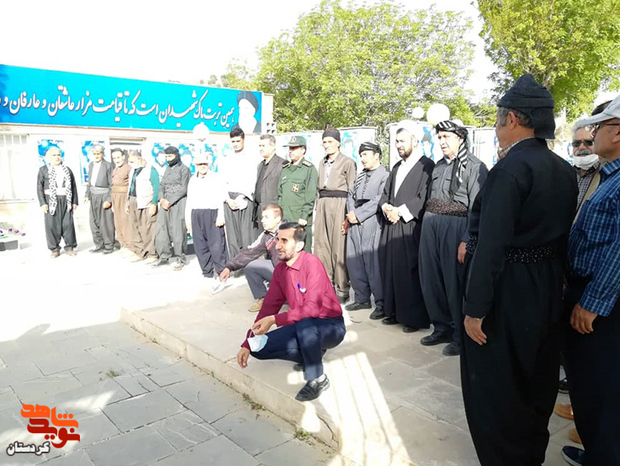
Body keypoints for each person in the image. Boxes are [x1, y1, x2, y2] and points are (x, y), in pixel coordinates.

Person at [460, 74, 578, 466]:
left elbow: (492, 245)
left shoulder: (510, 170)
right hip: (548, 284)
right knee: (537, 378)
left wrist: (475, 308)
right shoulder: (563, 169)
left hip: (509, 289)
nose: (497, 128)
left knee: (497, 385)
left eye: (498, 120)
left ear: (512, 118)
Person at [561, 94, 620, 466]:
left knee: (601, 389)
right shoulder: (609, 175)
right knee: (590, 388)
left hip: (600, 300)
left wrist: (592, 302)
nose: (592, 135)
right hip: (587, 290)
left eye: (597, 128)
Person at [236, 222, 346, 402]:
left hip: (330, 325)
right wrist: (247, 343)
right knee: (258, 347)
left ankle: (317, 379)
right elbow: (268, 307)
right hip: (302, 324)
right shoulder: (281, 270)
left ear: (299, 245)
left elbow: (312, 309)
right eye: (277, 240)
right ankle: (312, 352)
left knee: (305, 324)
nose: (277, 245)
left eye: (284, 241)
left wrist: (275, 320)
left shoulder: (312, 263)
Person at [418, 121, 488, 356]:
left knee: (453, 283)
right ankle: (441, 327)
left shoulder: (475, 167)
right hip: (431, 226)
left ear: (460, 138)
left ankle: (459, 335)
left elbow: (477, 208)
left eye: (446, 136)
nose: (442, 141)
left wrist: (467, 239)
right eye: (439, 137)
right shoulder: (438, 166)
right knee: (431, 279)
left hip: (456, 227)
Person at [375, 122, 434, 332]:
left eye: (403, 141)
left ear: (414, 141)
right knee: (391, 268)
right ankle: (393, 312)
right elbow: (385, 195)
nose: (399, 145)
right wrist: (386, 207)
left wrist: (400, 212)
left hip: (409, 226)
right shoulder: (396, 167)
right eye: (397, 141)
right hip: (391, 224)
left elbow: (424, 197)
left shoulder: (427, 166)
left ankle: (412, 318)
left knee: (409, 271)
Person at [343, 142, 389, 315]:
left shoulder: (385, 175)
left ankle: (381, 303)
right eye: (361, 155)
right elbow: (350, 195)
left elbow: (380, 198)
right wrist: (351, 213)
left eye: (365, 155)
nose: (362, 159)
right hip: (354, 219)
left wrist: (359, 214)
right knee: (354, 260)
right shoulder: (360, 176)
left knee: (372, 262)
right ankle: (361, 298)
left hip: (372, 219)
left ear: (376, 155)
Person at [314, 128, 357, 303]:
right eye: (324, 142)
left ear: (338, 143)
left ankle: (342, 289)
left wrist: (348, 215)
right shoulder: (321, 163)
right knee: (322, 246)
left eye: (330, 141)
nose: (327, 145)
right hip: (323, 204)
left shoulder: (348, 162)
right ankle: (326, 286)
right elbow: (318, 189)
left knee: (339, 247)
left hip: (340, 204)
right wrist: (317, 210)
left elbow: (352, 190)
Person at [220, 205, 284, 312]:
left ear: (278, 219)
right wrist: (229, 267)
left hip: (292, 274)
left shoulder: (290, 231)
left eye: (266, 217)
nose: (262, 220)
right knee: (250, 266)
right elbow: (249, 252)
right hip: (277, 271)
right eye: (262, 217)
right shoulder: (266, 236)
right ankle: (263, 298)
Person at [185, 152, 228, 279]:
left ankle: (221, 271)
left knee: (217, 245)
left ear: (208, 164)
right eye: (199, 164)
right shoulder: (192, 180)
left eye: (204, 163)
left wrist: (221, 216)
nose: (202, 166)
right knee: (200, 245)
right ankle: (207, 272)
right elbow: (189, 200)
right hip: (196, 213)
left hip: (212, 213)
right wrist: (188, 219)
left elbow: (221, 197)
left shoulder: (216, 178)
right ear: (195, 166)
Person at [221, 127, 258, 258]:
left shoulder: (251, 158)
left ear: (243, 140)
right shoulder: (226, 158)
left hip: (244, 197)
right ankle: (235, 263)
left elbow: (253, 179)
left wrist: (242, 196)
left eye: (238, 141)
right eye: (233, 141)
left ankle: (247, 263)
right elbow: (222, 181)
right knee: (232, 236)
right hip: (230, 199)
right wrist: (228, 199)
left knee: (246, 235)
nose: (235, 144)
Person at [36, 146, 79, 258]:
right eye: (54, 155)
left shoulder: (67, 170)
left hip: (66, 200)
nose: (57, 157)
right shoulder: (43, 170)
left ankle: (70, 247)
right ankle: (54, 249)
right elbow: (39, 188)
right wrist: (43, 203)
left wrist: (74, 201)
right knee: (52, 225)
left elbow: (73, 187)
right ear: (49, 157)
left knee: (68, 224)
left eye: (58, 155)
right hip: (51, 201)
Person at [278, 135, 318, 252]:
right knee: (286, 252)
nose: (291, 151)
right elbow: (280, 194)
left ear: (303, 150)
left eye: (294, 148)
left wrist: (304, 216)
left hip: (300, 220)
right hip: (286, 219)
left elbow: (310, 196)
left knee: (303, 253)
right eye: (290, 148)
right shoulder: (285, 169)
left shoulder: (309, 169)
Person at [153, 146, 191, 270]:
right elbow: (162, 185)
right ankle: (164, 256)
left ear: (176, 155)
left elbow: (184, 188)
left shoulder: (184, 169)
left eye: (170, 156)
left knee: (178, 230)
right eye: (167, 157)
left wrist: (170, 200)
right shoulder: (167, 169)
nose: (168, 159)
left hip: (178, 201)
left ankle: (180, 257)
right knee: (162, 229)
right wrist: (161, 199)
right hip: (165, 202)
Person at [126, 150, 160, 264]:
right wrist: (127, 202)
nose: (130, 163)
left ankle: (152, 253)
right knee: (134, 227)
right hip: (133, 200)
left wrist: (154, 203)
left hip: (146, 202)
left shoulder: (151, 170)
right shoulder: (133, 170)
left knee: (148, 229)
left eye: (132, 161)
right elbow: (130, 187)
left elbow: (156, 187)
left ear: (139, 158)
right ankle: (139, 252)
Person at [84, 144, 115, 254]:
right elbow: (89, 182)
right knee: (94, 222)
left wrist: (109, 200)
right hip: (93, 196)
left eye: (99, 153)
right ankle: (99, 245)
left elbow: (112, 184)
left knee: (105, 222)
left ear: (102, 154)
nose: (96, 156)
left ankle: (109, 245)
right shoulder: (91, 165)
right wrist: (87, 195)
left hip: (104, 195)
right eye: (95, 154)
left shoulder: (108, 165)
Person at [253, 134, 286, 227]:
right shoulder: (260, 165)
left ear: (273, 147)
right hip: (260, 210)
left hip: (273, 212)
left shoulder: (282, 164)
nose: (261, 148)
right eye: (260, 146)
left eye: (263, 146)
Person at [111, 149, 132, 252]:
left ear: (123, 157)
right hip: (115, 197)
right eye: (114, 158)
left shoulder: (129, 169)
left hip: (124, 197)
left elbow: (131, 185)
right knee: (118, 221)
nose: (116, 160)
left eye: (118, 157)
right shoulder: (114, 170)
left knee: (125, 221)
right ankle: (122, 244)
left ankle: (129, 245)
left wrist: (128, 201)